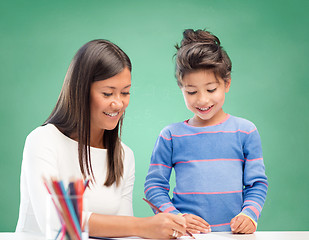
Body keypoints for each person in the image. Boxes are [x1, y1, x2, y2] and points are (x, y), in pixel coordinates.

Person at [16, 39, 186, 239]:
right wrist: (142, 226)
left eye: (125, 93)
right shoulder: (43, 140)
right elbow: (57, 221)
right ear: (80, 91)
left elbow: (123, 229)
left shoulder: (124, 156)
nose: (118, 103)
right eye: (107, 93)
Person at [144, 29, 268, 234]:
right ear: (181, 88)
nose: (202, 100)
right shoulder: (171, 136)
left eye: (211, 89)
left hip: (233, 236)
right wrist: (176, 217)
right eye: (191, 91)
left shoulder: (246, 132)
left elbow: (257, 183)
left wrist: (249, 214)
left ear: (226, 84)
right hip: (186, 236)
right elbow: (154, 186)